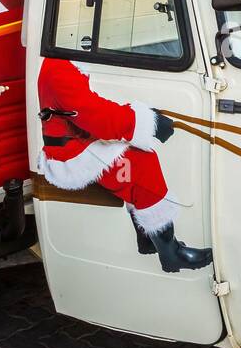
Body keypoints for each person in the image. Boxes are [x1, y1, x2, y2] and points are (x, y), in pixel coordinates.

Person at [34, 57, 212, 273]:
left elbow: (90, 107)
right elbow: (95, 115)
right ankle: (170, 253)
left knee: (135, 158)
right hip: (72, 155)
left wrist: (140, 117)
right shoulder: (59, 69)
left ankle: (148, 238)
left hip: (76, 142)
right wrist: (147, 124)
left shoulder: (58, 63)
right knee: (140, 163)